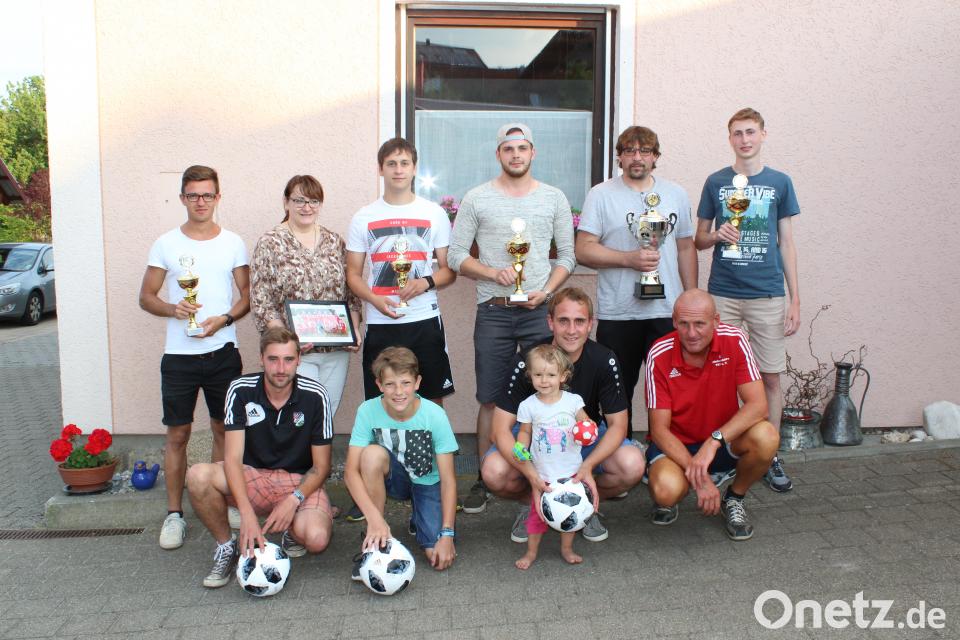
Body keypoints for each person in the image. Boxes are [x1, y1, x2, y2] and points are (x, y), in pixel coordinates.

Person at [448, 123, 576, 513]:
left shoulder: (553, 198)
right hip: (494, 311)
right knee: (490, 397)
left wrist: (548, 291)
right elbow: (455, 255)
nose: (516, 155)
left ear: (533, 152)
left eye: (522, 148)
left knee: (547, 392)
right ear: (498, 154)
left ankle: (552, 474)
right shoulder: (477, 198)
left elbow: (567, 256)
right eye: (508, 149)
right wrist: (492, 273)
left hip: (538, 311)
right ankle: (486, 477)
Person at [345, 137, 457, 523]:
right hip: (382, 323)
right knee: (381, 403)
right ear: (380, 168)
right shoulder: (363, 217)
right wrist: (375, 301)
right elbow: (352, 274)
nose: (397, 169)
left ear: (414, 168)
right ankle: (375, 484)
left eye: (404, 163)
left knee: (431, 401)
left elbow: (449, 270)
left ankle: (430, 486)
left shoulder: (433, 214)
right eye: (391, 163)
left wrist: (425, 282)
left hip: (424, 320)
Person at [138, 164, 249, 551]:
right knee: (178, 435)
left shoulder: (233, 242)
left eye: (207, 195)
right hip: (179, 355)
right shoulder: (166, 243)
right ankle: (174, 515)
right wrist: (173, 309)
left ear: (218, 197)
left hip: (223, 352)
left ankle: (223, 500)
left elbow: (247, 298)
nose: (200, 201)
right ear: (182, 198)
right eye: (193, 195)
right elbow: (146, 297)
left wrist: (225, 319)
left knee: (223, 431)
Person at [480, 287, 645, 543]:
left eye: (579, 321)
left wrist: (588, 466)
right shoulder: (527, 360)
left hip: (583, 438)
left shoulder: (604, 359)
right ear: (550, 322)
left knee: (632, 464)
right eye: (563, 321)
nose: (571, 330)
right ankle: (535, 503)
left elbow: (618, 426)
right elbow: (499, 430)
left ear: (590, 324)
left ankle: (584, 503)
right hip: (535, 438)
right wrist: (531, 474)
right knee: (493, 471)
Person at [694, 108, 801, 493]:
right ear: (730, 139)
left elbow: (786, 243)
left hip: (767, 293)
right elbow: (698, 239)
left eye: (750, 132)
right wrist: (716, 235)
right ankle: (723, 453)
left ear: (763, 135)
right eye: (737, 133)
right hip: (723, 293)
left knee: (769, 376)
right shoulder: (716, 182)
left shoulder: (780, 182)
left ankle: (769, 454)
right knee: (720, 376)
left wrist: (795, 299)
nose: (744, 139)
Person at [185, 327, 335, 587]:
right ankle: (226, 546)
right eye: (273, 359)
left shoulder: (315, 395)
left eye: (288, 359)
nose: (281, 368)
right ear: (261, 358)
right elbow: (232, 459)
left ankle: (292, 530)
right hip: (253, 478)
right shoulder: (240, 389)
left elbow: (322, 467)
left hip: (298, 482)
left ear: (299, 360)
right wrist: (246, 514)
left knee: (317, 540)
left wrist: (293, 500)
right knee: (198, 475)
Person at [575, 126, 697, 439]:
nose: (637, 157)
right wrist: (628, 259)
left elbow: (686, 247)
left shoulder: (675, 194)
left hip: (666, 311)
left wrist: (691, 298)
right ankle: (622, 451)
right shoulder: (601, 194)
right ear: (620, 157)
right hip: (619, 313)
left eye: (645, 151)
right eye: (629, 151)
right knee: (617, 390)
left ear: (655, 156)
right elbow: (583, 249)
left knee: (671, 388)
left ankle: (665, 452)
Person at [644, 289, 779, 540]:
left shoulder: (735, 339)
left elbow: (759, 406)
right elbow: (659, 430)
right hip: (677, 446)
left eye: (700, 324)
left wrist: (713, 441)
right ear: (674, 322)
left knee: (767, 436)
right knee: (665, 492)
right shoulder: (659, 352)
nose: (691, 333)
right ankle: (680, 480)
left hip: (721, 442)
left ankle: (734, 497)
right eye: (683, 324)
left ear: (716, 321)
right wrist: (700, 477)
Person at [250, 174, 362, 420]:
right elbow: (261, 300)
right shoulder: (270, 243)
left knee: (326, 413)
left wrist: (353, 329)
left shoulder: (334, 241)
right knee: (300, 415)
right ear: (286, 202)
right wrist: (289, 341)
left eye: (313, 201)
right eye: (299, 200)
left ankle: (321, 449)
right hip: (295, 352)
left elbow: (351, 293)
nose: (306, 207)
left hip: (335, 348)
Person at [344, 347, 458, 572]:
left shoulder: (434, 415)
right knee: (371, 455)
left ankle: (420, 516)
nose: (398, 392)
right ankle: (375, 538)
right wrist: (374, 518)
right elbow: (350, 472)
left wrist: (447, 534)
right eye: (390, 384)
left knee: (436, 557)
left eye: (405, 383)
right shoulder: (367, 410)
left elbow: (448, 480)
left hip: (427, 482)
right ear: (379, 385)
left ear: (417, 383)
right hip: (394, 479)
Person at [512, 345, 592, 570]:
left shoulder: (573, 401)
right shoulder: (528, 405)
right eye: (538, 374)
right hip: (543, 474)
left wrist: (588, 428)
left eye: (550, 375)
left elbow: (585, 421)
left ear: (563, 376)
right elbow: (525, 431)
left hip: (572, 473)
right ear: (530, 375)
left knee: (570, 512)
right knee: (537, 516)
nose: (544, 380)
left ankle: (567, 549)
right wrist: (520, 445)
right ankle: (531, 552)